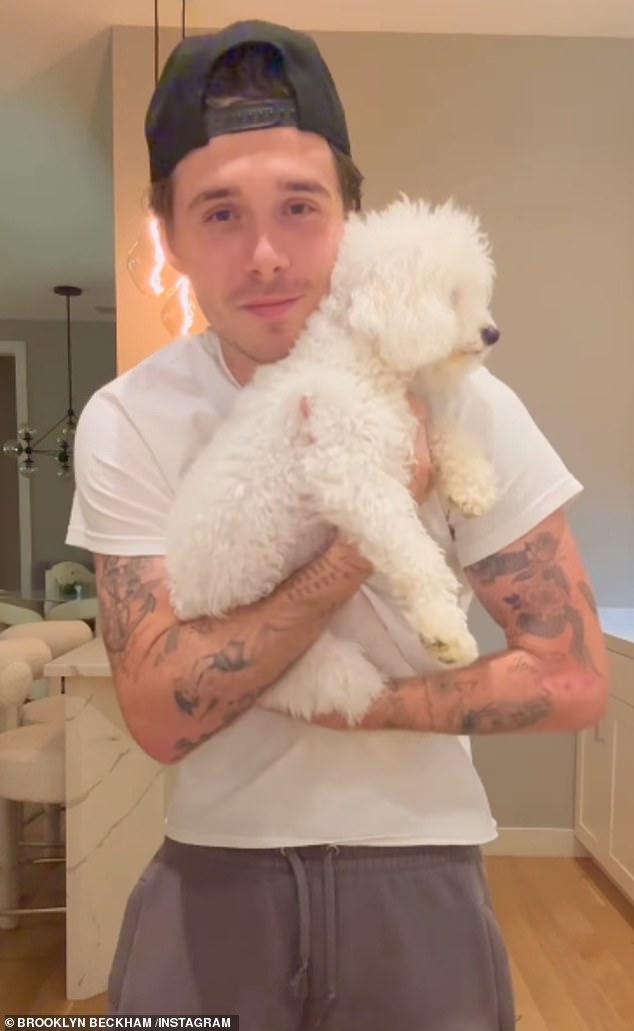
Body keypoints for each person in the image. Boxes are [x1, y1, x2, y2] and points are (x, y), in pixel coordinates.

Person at [67, 19, 608, 1028]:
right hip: (210, 879)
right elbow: (154, 709)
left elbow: (572, 676)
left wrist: (367, 709)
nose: (265, 252)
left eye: (300, 207)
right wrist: (360, 536)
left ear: (350, 217)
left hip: (421, 870)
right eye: (220, 212)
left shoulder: (467, 401)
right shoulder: (127, 419)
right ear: (169, 234)